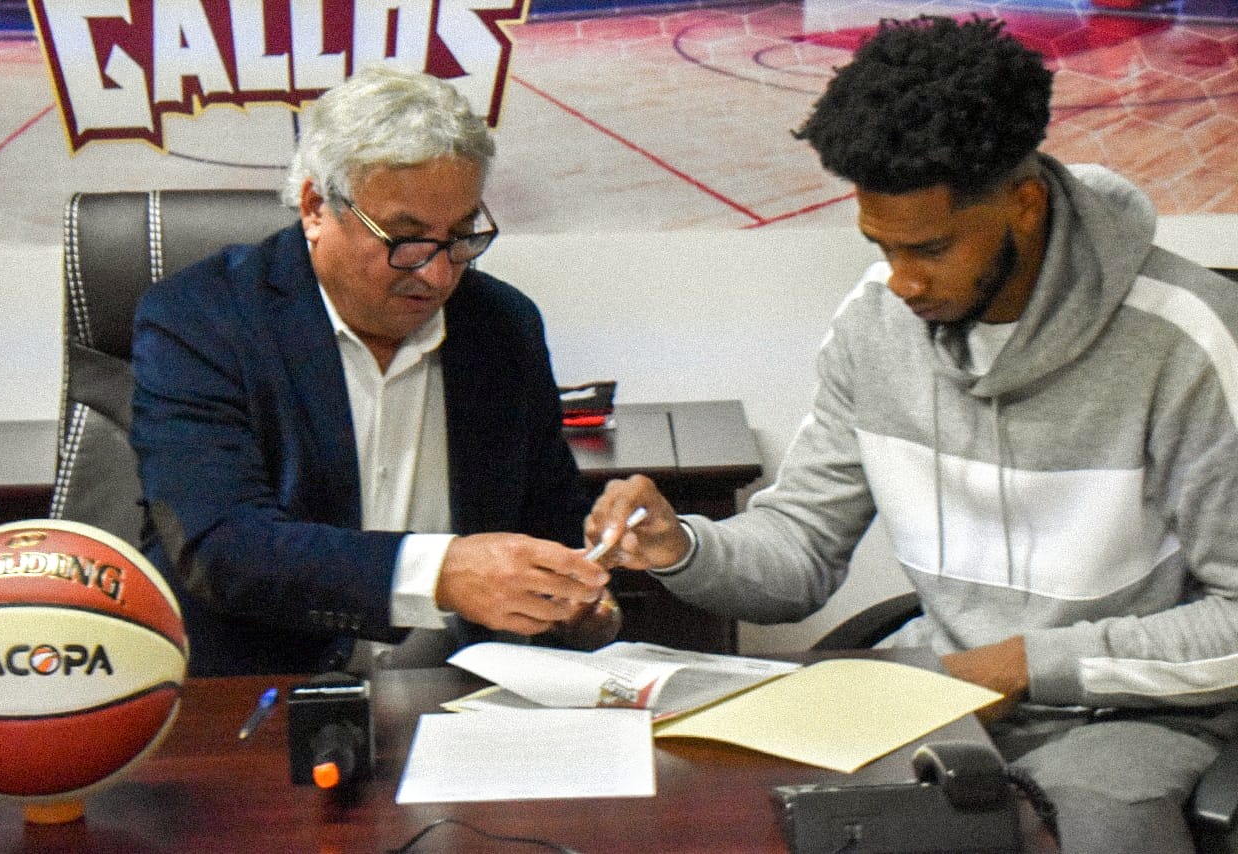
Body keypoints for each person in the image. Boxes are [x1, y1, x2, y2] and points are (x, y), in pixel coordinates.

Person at [585, 16, 1238, 853]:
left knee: (1090, 820)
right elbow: (801, 550)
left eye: (929, 248)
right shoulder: (875, 323)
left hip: (1132, 711)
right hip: (945, 696)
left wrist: (1022, 663)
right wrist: (684, 548)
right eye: (880, 245)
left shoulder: (1189, 340)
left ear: (1024, 204)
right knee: (733, 807)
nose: (902, 281)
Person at [130, 66, 615, 677]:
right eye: (405, 239)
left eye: (461, 236)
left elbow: (547, 521)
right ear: (315, 207)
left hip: (462, 692)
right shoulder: (201, 318)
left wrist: (582, 594)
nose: (436, 274)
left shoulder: (501, 325)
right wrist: (440, 574)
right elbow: (223, 546)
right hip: (263, 693)